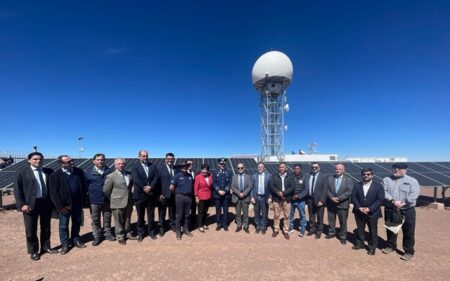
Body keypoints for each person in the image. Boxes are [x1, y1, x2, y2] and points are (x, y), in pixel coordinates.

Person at [14, 152, 58, 261]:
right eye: (35, 159)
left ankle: (46, 247)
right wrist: (22, 204)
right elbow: (17, 190)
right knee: (30, 229)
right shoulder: (22, 172)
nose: (38, 161)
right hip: (29, 205)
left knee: (46, 227)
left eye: (40, 159)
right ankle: (33, 251)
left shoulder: (48, 171)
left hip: (45, 203)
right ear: (28, 160)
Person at [49, 155, 88, 255]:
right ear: (61, 163)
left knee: (76, 223)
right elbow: (54, 193)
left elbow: (84, 187)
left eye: (72, 160)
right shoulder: (55, 175)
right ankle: (65, 244)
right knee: (63, 226)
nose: (72, 162)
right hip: (64, 206)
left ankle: (75, 240)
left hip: (77, 204)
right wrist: (60, 207)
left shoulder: (79, 172)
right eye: (68, 161)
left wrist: (83, 201)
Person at [382, 163, 420, 261]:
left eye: (400, 168)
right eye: (394, 168)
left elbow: (414, 194)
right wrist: (393, 201)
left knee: (408, 231)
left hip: (407, 210)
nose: (396, 170)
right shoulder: (386, 180)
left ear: (406, 170)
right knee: (391, 229)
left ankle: (408, 251)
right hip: (391, 208)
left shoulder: (412, 181)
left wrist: (403, 203)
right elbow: (383, 191)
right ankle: (390, 246)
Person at [351, 168, 385, 255]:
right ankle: (360, 243)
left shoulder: (378, 186)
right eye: (364, 174)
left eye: (368, 174)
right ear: (362, 175)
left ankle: (372, 247)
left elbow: (380, 200)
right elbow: (353, 197)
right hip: (359, 211)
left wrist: (369, 208)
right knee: (360, 229)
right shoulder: (357, 185)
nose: (366, 176)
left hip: (373, 212)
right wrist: (359, 207)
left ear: (372, 175)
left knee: (373, 230)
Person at [84, 153, 114, 246]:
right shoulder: (88, 172)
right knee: (95, 219)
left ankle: (107, 233)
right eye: (98, 159)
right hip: (94, 200)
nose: (100, 161)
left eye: (102, 159)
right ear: (94, 161)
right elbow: (85, 187)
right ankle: (97, 235)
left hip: (107, 200)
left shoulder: (110, 171)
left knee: (107, 218)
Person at [103, 158, 134, 245]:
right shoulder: (111, 176)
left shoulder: (128, 174)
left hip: (128, 201)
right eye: (119, 164)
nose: (121, 165)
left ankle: (128, 233)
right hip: (117, 202)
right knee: (118, 221)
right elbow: (106, 190)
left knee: (127, 219)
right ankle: (120, 236)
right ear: (115, 165)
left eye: (122, 164)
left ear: (125, 165)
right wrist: (113, 198)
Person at [131, 150, 158, 241]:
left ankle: (151, 232)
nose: (145, 158)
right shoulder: (135, 167)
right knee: (140, 216)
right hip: (139, 195)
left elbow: (156, 177)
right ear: (139, 156)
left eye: (146, 156)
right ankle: (141, 233)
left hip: (150, 195)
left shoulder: (152, 165)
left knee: (151, 215)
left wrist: (151, 186)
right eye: (143, 156)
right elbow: (136, 179)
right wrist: (144, 187)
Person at [326, 163, 354, 245]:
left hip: (343, 204)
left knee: (343, 222)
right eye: (336, 169)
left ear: (343, 170)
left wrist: (339, 198)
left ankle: (343, 236)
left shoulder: (348, 179)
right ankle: (331, 233)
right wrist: (331, 198)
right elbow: (327, 189)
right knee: (331, 220)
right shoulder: (330, 178)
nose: (337, 170)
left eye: (339, 169)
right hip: (331, 203)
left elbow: (349, 191)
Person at [269, 162, 294, 240]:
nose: (281, 168)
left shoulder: (290, 176)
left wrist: (283, 193)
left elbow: (292, 187)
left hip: (287, 199)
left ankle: (285, 230)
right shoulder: (274, 176)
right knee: (276, 215)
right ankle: (276, 229)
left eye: (283, 167)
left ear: (286, 168)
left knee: (286, 216)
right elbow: (272, 186)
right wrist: (278, 193)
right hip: (277, 199)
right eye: (280, 167)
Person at [170, 161, 194, 240]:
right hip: (180, 197)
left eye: (186, 166)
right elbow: (171, 188)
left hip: (189, 197)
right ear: (181, 167)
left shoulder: (190, 175)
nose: (184, 167)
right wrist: (177, 193)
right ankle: (178, 232)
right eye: (183, 166)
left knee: (187, 215)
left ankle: (186, 229)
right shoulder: (177, 176)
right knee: (179, 215)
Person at [304, 162, 327, 239]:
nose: (314, 168)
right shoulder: (308, 175)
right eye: (313, 167)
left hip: (319, 200)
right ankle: (312, 229)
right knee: (311, 215)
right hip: (310, 199)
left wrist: (322, 200)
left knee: (320, 217)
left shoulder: (323, 176)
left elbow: (325, 190)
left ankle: (319, 231)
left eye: (316, 167)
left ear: (319, 168)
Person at [157, 152, 177, 235]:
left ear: (173, 160)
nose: (170, 160)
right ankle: (161, 227)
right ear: (165, 159)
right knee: (162, 211)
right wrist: (159, 194)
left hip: (174, 194)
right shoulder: (159, 169)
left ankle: (172, 224)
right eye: (168, 159)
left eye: (171, 159)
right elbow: (157, 183)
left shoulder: (176, 169)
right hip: (163, 194)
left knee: (172, 210)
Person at [230, 163, 252, 233]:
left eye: (241, 168)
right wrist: (239, 193)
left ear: (244, 168)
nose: (240, 169)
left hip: (245, 197)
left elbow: (250, 186)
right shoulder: (234, 177)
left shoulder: (248, 177)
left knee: (245, 213)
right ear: (237, 169)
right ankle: (239, 225)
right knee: (238, 213)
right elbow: (232, 186)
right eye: (239, 168)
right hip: (237, 197)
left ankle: (245, 226)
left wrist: (244, 193)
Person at [251, 162, 271, 235]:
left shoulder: (269, 176)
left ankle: (263, 227)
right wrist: (252, 197)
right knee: (256, 213)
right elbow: (251, 188)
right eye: (259, 167)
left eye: (261, 167)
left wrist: (270, 197)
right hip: (256, 197)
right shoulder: (253, 176)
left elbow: (271, 188)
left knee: (265, 213)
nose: (260, 168)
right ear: (257, 168)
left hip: (265, 197)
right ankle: (258, 226)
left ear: (264, 168)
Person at [288, 164, 308, 237]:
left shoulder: (304, 177)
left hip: (301, 200)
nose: (296, 170)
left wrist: (299, 196)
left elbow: (306, 189)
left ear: (300, 169)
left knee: (302, 215)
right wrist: (290, 196)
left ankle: (302, 229)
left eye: (297, 169)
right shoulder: (291, 176)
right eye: (295, 168)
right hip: (292, 200)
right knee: (291, 215)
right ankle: (291, 227)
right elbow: (288, 187)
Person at [212, 158, 232, 231]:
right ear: (218, 164)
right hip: (217, 195)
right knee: (218, 210)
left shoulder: (229, 172)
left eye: (223, 163)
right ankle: (219, 224)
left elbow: (230, 183)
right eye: (221, 164)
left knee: (226, 210)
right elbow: (213, 183)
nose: (222, 165)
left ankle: (225, 224)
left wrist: (225, 190)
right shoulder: (214, 172)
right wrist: (218, 190)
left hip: (226, 195)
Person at [194, 164, 213, 232]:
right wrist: (196, 196)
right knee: (201, 212)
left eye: (206, 169)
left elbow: (211, 186)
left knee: (205, 211)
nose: (204, 171)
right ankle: (200, 225)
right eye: (203, 169)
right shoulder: (198, 177)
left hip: (208, 196)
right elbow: (195, 187)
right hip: (201, 197)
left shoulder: (210, 176)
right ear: (201, 170)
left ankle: (204, 223)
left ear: (208, 170)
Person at [186, 159, 197, 230]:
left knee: (193, 210)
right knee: (186, 211)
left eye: (191, 164)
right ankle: (185, 225)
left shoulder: (196, 173)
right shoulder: (183, 173)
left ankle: (192, 224)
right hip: (186, 195)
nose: (190, 165)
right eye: (188, 164)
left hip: (193, 195)